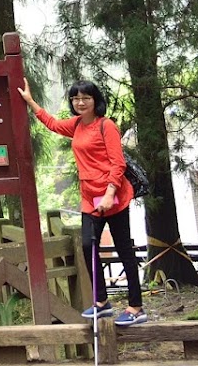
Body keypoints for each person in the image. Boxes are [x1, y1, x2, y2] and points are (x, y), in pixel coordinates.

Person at [18, 79, 146, 326]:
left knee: (124, 250)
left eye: (85, 98)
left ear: (95, 100)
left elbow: (118, 163)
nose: (80, 102)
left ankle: (136, 307)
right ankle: (101, 302)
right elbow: (53, 124)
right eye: (76, 98)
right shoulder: (76, 125)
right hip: (90, 198)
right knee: (88, 246)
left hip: (114, 197)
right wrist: (31, 102)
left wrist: (110, 193)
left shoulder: (105, 126)